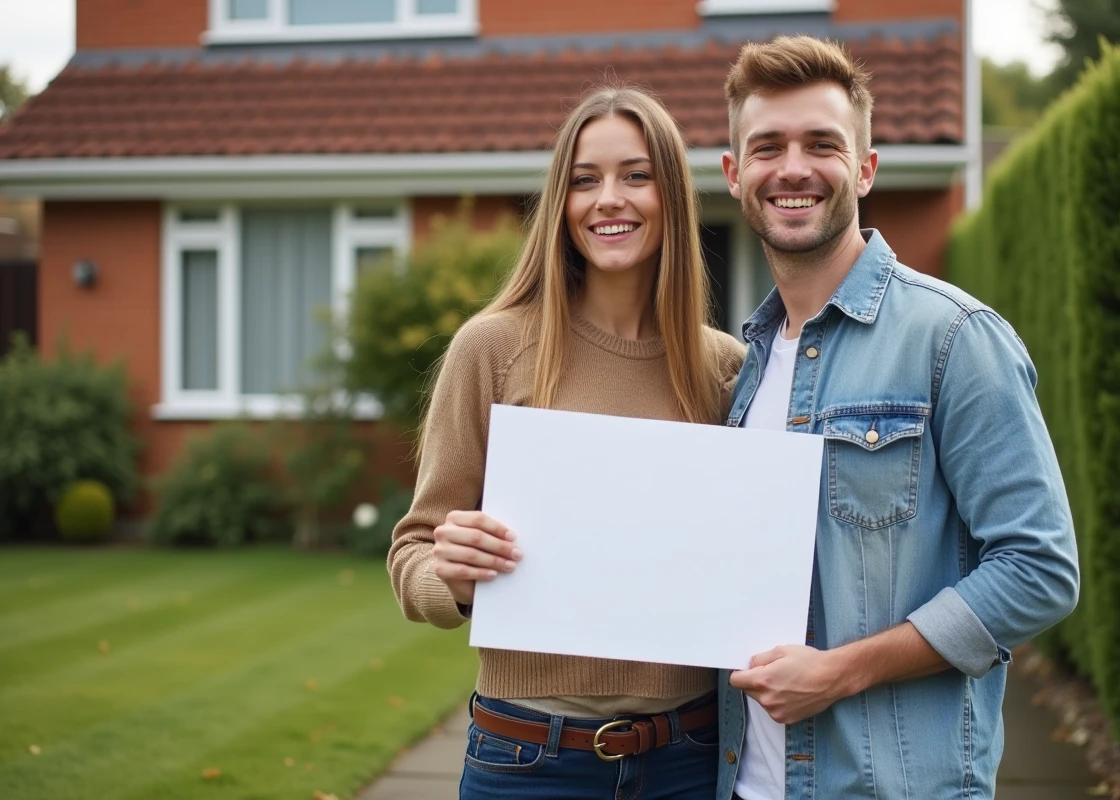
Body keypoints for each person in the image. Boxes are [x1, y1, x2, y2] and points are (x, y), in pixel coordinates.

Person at [714, 36, 1080, 800]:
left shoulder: (954, 337)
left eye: (823, 144)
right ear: (733, 174)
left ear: (867, 168)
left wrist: (840, 673)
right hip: (745, 785)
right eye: (767, 146)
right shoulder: (742, 367)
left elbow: (1039, 570)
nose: (793, 168)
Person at [387, 85, 745, 799]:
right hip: (527, 761)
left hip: (689, 757)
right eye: (585, 180)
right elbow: (412, 551)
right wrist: (449, 578)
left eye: (636, 176)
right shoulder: (492, 349)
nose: (608, 198)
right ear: (561, 203)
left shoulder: (727, 370)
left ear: (672, 195)